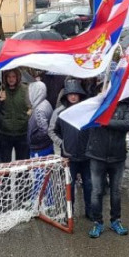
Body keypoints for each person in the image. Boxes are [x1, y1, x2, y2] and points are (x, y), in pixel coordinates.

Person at [86, 103, 129, 238]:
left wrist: (106, 122)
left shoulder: (124, 106)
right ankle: (97, 222)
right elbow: (89, 121)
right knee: (97, 191)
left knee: (116, 192)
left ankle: (115, 221)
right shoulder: (95, 104)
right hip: (97, 155)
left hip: (117, 156)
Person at [49, 78, 92, 220]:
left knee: (88, 185)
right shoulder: (60, 112)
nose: (73, 96)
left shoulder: (87, 111)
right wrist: (62, 143)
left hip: (86, 155)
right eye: (70, 94)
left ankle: (90, 211)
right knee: (69, 185)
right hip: (69, 156)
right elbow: (52, 131)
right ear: (66, 95)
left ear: (80, 95)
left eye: (76, 93)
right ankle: (69, 211)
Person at [0, 68, 30, 162]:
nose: (11, 79)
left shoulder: (26, 90)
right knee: (5, 164)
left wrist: (27, 117)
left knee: (22, 164)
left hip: (22, 133)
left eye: (13, 76)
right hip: (4, 134)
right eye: (8, 76)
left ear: (18, 77)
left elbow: (31, 107)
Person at [27, 81, 54, 157]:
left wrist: (33, 138)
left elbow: (43, 130)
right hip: (46, 145)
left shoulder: (39, 109)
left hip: (40, 148)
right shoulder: (45, 103)